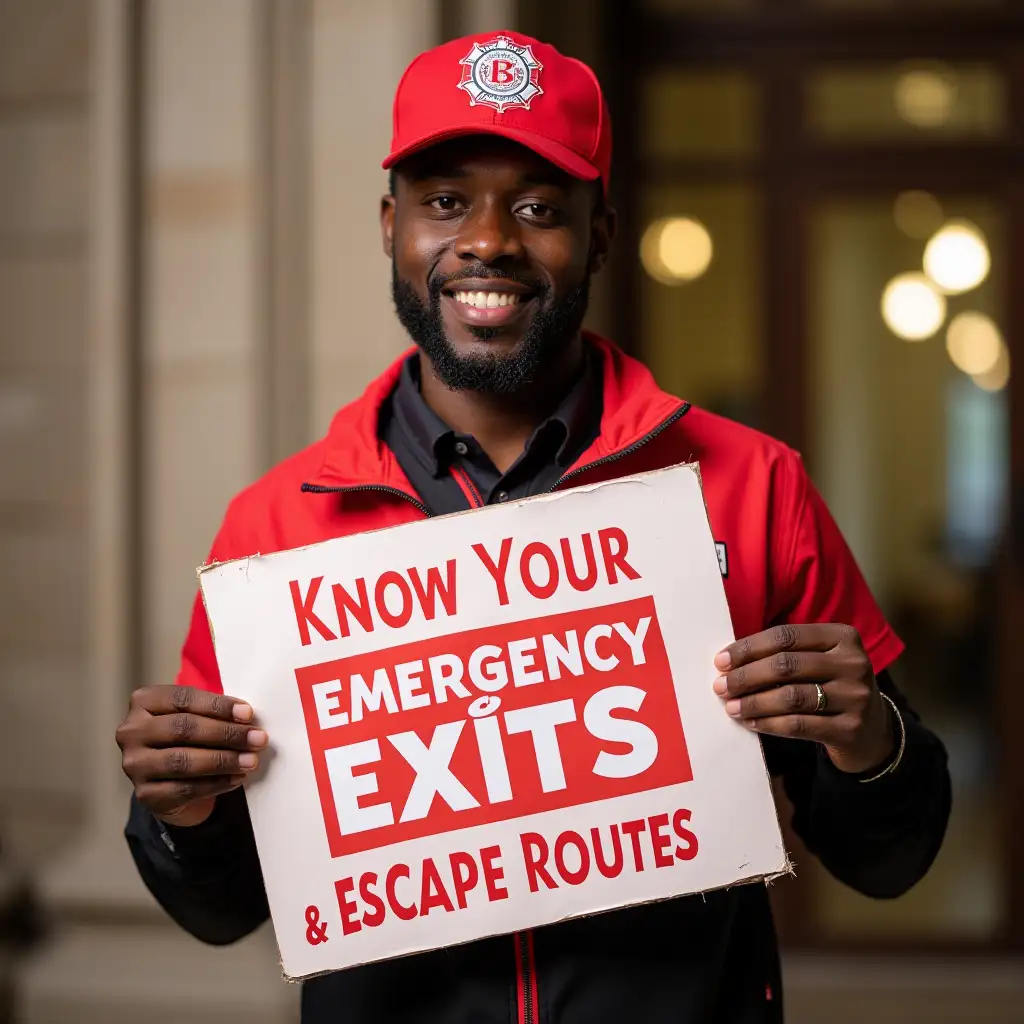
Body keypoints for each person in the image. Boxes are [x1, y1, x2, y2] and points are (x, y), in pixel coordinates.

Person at [117, 31, 951, 1024]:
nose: (487, 241)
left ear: (599, 235)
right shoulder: (279, 524)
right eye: (442, 202)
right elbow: (222, 912)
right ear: (390, 229)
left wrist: (870, 739)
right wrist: (184, 809)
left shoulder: (751, 485)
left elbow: (889, 860)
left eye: (537, 208)